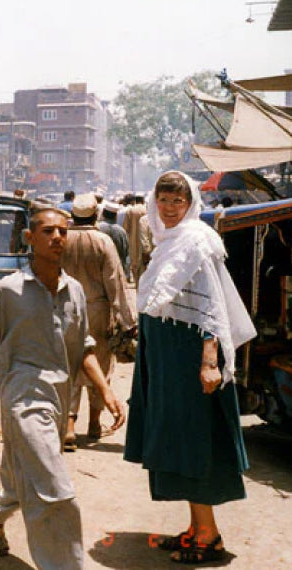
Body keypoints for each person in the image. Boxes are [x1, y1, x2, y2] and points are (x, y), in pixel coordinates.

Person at [0, 206, 126, 569]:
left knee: (21, 471)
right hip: (21, 397)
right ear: (29, 239)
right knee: (54, 487)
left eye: (62, 232)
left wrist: (106, 392)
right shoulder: (9, 291)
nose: (57, 238)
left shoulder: (75, 291)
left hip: (57, 398)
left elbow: (85, 348)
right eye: (48, 231)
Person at [124, 171, 256, 565]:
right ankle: (196, 527)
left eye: (177, 201)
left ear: (190, 204)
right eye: (163, 200)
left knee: (195, 441)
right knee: (176, 441)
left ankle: (209, 535)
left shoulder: (196, 241)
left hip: (190, 362)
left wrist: (209, 362)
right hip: (168, 361)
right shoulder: (168, 242)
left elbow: (211, 308)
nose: (169, 208)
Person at [61, 193, 136, 450]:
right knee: (100, 367)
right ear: (96, 215)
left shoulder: (62, 239)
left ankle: (69, 427)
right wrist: (128, 321)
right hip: (98, 312)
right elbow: (115, 282)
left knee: (69, 366)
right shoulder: (103, 242)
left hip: (66, 310)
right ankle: (94, 424)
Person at [98, 201, 129, 275]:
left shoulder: (97, 228)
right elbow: (125, 252)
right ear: (115, 216)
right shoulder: (121, 231)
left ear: (103, 214)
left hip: (99, 269)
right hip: (117, 269)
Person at [122, 193, 146, 287]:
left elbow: (125, 228)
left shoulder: (131, 210)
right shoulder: (147, 210)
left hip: (133, 240)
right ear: (143, 200)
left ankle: (137, 283)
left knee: (134, 262)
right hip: (145, 239)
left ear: (135, 201)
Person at [137, 213, 153, 278]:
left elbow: (144, 241)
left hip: (149, 258)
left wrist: (146, 259)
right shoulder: (167, 218)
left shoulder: (144, 220)